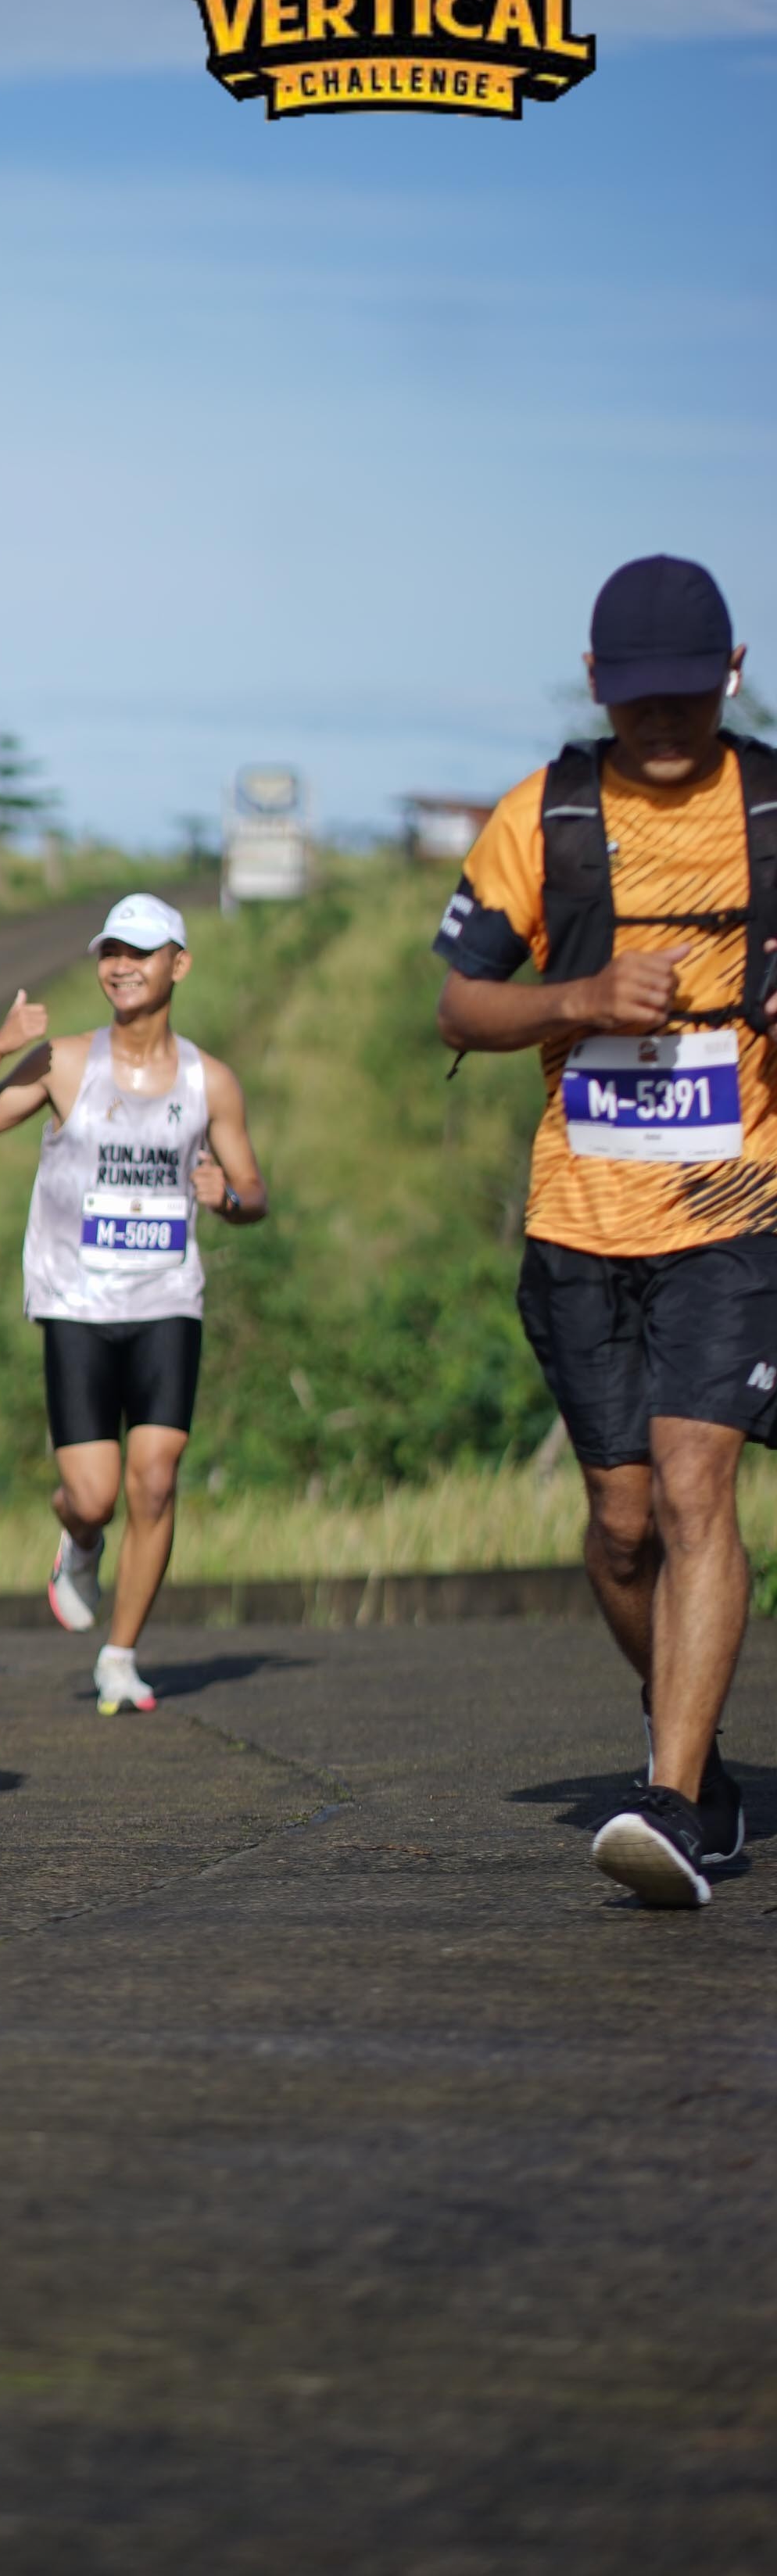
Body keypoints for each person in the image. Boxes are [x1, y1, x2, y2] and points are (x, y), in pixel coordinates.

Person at [435, 554, 770, 1910]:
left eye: (686, 693)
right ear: (593, 686)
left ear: (730, 676)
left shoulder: (771, 807)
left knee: (694, 1488)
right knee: (622, 1527)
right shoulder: (546, 815)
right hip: (579, 1215)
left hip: (738, 1204)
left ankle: (670, 1803)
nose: (663, 720)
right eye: (637, 698)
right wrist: (578, 998)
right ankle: (694, 1755)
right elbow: (460, 1007)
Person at [0, 894, 267, 1713]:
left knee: (154, 1480)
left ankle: (120, 1656)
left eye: (139, 952)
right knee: (94, 1494)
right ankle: (78, 1536)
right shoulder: (63, 1063)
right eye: (110, 952)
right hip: (76, 1301)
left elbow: (252, 1190)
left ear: (177, 965)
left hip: (166, 1298)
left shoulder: (209, 1082)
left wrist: (227, 1198)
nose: (120, 967)